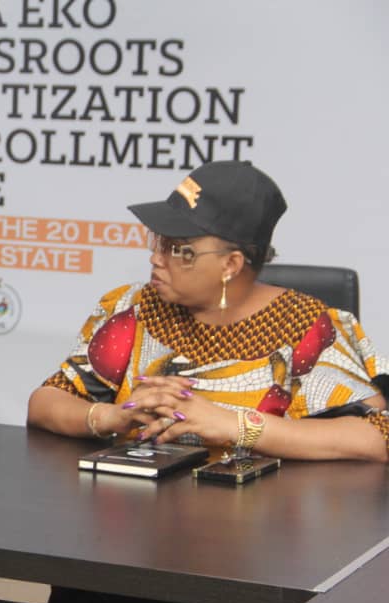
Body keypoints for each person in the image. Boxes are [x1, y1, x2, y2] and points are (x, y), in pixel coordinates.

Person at [26, 160, 389, 462]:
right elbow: (45, 403)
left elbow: (376, 436)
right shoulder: (132, 308)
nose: (156, 258)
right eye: (158, 242)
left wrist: (237, 425)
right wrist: (109, 417)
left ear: (230, 264)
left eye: (178, 249)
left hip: (258, 530)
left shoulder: (303, 324)